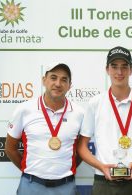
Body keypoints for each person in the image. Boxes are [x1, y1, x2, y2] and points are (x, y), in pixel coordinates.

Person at [77, 46, 132, 195]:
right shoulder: (95, 103)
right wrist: (101, 166)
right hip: (103, 180)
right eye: (114, 67)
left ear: (131, 70)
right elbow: (82, 147)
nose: (119, 72)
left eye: (124, 67)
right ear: (107, 69)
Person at [5, 63, 84, 195]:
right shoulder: (24, 109)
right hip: (30, 186)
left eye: (64, 79)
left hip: (66, 186)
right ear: (44, 80)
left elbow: (82, 151)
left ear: (70, 85)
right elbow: (10, 148)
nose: (58, 83)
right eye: (53, 77)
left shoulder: (79, 113)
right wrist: (30, 172)